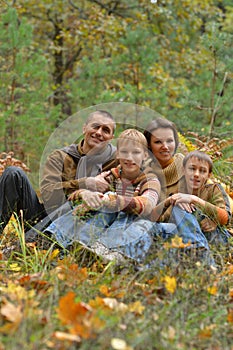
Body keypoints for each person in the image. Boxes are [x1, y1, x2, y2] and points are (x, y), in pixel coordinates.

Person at [44, 129, 162, 262]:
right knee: (90, 203)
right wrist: (85, 194)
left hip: (131, 227)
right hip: (103, 226)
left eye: (135, 153)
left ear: (145, 155)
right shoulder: (110, 176)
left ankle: (105, 251)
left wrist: (113, 200)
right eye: (124, 152)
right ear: (117, 154)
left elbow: (147, 205)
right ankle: (57, 237)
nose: (129, 157)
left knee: (116, 207)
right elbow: (74, 197)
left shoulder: (150, 180)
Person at [0, 110, 117, 236]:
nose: (99, 132)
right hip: (46, 217)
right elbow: (48, 194)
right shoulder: (60, 156)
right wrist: (84, 185)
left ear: (111, 138)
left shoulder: (117, 161)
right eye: (95, 126)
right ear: (84, 128)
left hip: (83, 226)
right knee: (13, 173)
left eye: (106, 130)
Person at [163, 150, 231, 245]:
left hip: (215, 237)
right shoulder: (177, 191)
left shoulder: (213, 189)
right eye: (192, 169)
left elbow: (225, 218)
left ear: (209, 175)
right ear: (183, 170)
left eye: (202, 171)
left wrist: (194, 199)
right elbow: (164, 217)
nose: (196, 174)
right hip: (185, 238)